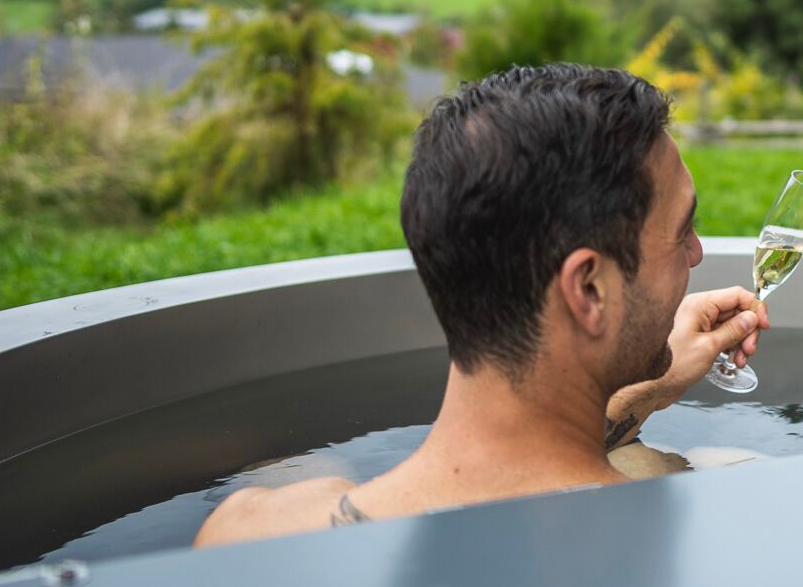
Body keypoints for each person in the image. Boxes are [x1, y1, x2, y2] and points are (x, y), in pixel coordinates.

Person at [195, 64, 768, 548]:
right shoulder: (711, 538)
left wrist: (645, 389)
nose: (695, 253)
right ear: (588, 290)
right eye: (682, 228)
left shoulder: (244, 532)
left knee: (309, 472)